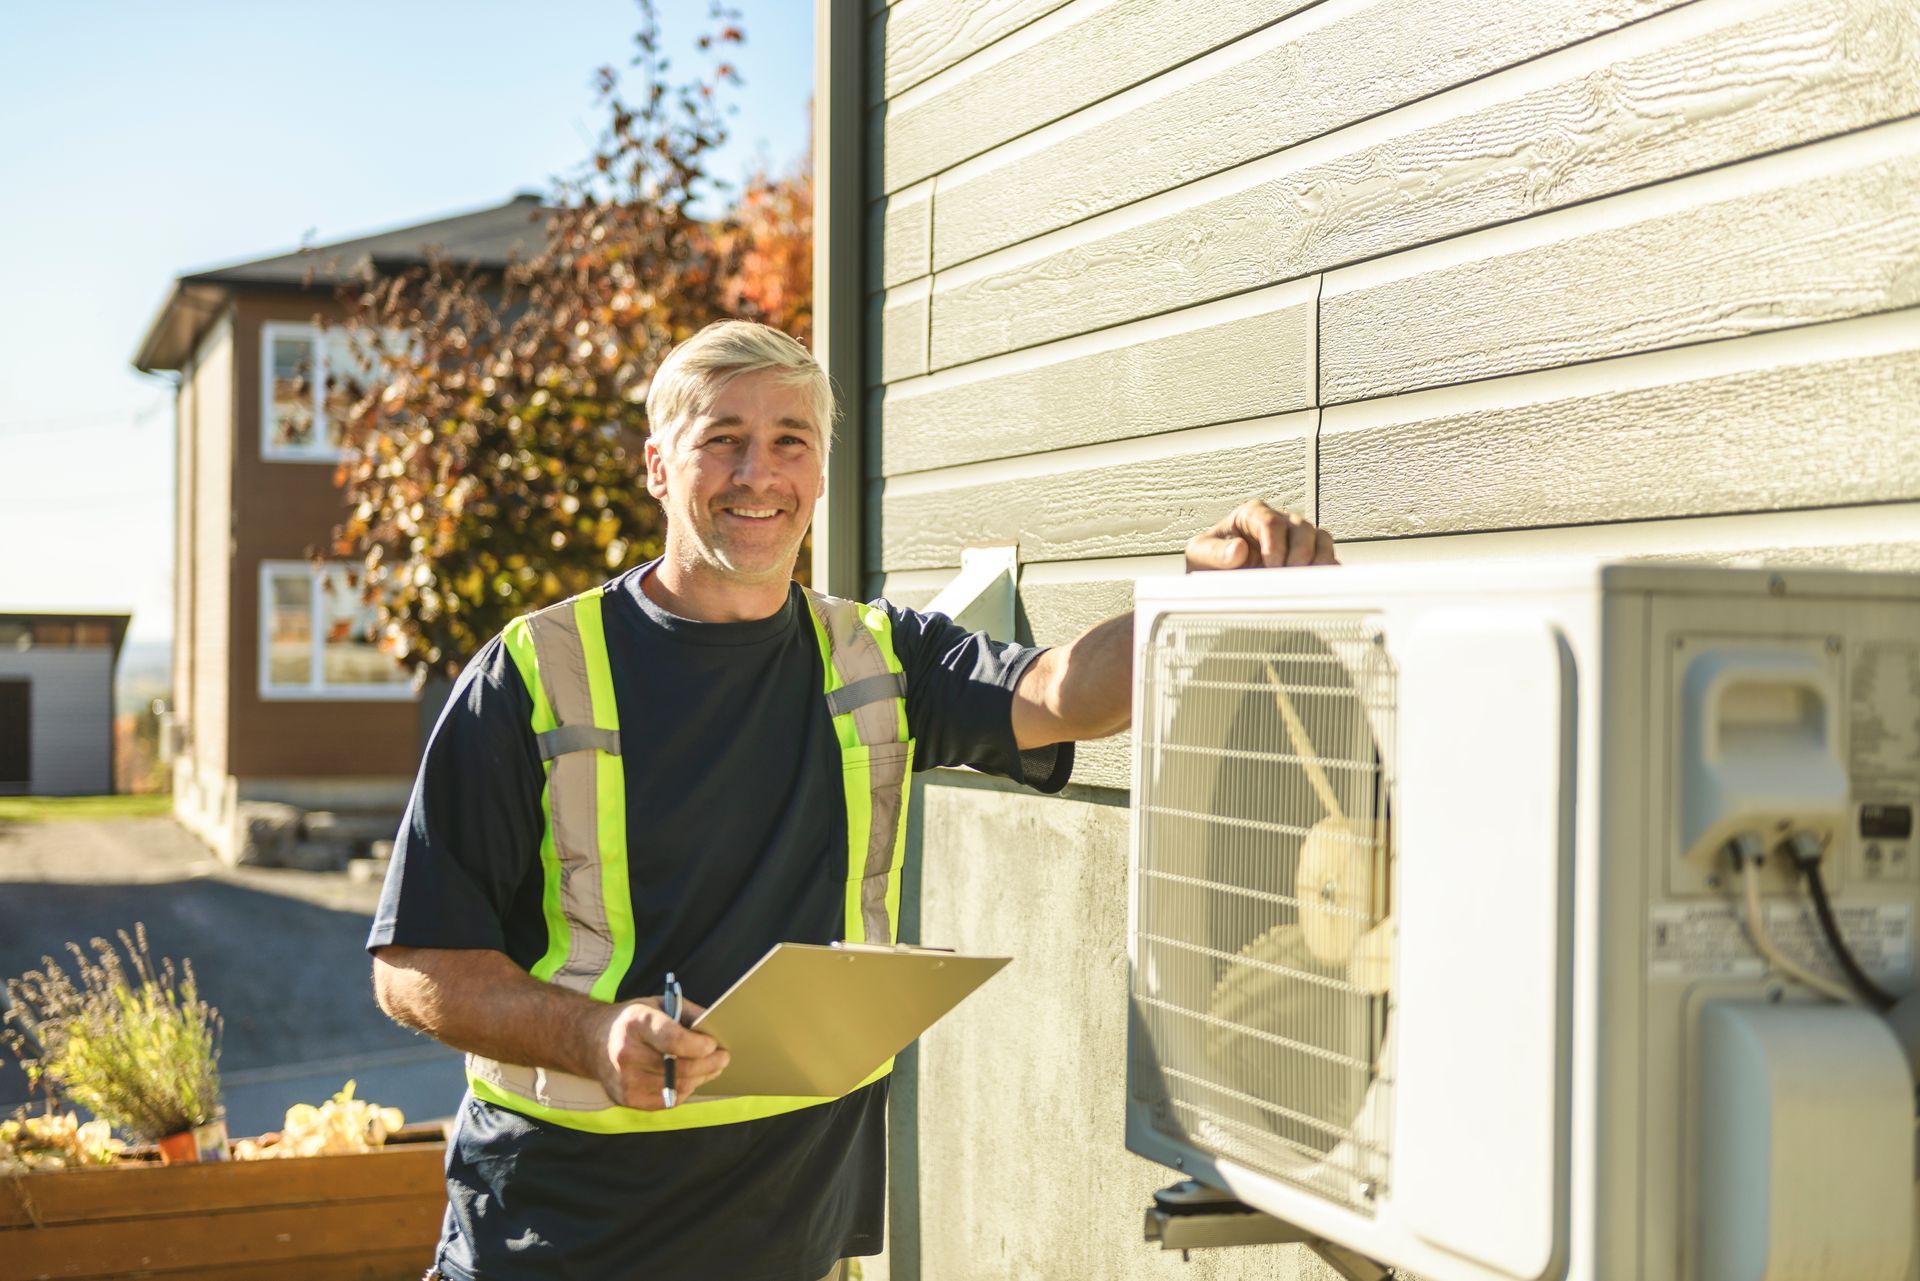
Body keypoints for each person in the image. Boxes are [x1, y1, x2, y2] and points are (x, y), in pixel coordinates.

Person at [367, 320, 1337, 1281]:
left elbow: (1063, 694)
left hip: (794, 1232)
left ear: (821, 474)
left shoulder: (879, 653)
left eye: (790, 441)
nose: (760, 473)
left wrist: (1193, 602)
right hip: (565, 1237)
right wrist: (588, 1031)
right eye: (723, 440)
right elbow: (413, 967)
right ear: (659, 467)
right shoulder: (535, 672)